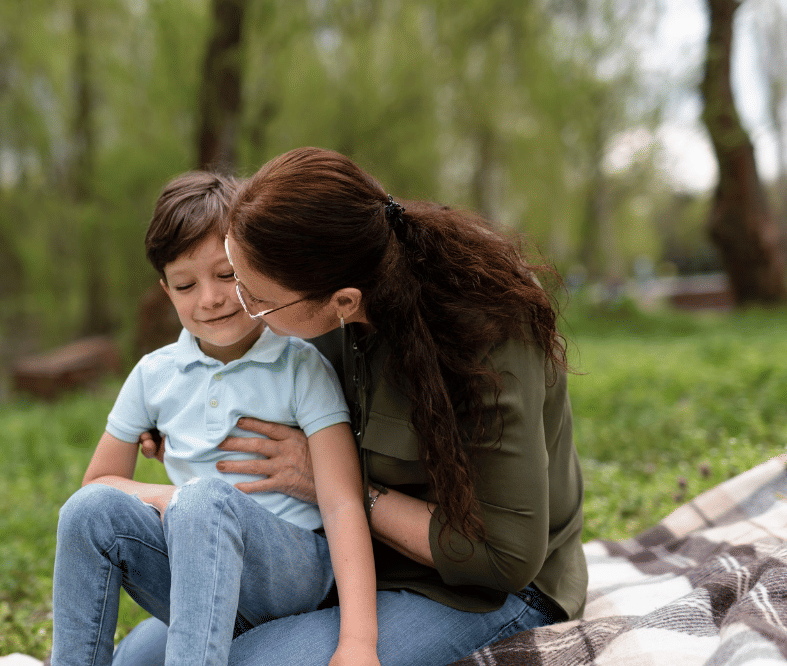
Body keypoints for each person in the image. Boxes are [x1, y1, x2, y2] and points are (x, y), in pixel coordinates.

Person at [119, 146, 588, 666]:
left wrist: (326, 482)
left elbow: (505, 556)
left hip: (489, 593)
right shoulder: (317, 308)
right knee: (135, 660)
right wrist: (180, 418)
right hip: (351, 570)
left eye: (257, 299)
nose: (241, 307)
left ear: (343, 300)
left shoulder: (488, 336)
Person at [50, 171, 380, 666]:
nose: (210, 298)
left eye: (227, 275)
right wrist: (177, 499)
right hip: (194, 570)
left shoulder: (299, 366)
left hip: (293, 573)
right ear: (167, 291)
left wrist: (358, 641)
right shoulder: (154, 375)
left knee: (204, 501)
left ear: (254, 269)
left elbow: (342, 504)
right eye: (186, 284)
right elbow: (98, 484)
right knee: (87, 511)